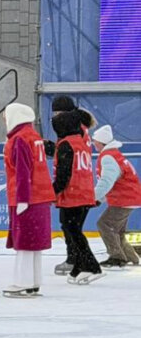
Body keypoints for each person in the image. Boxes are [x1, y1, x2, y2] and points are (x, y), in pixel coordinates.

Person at [2, 103, 54, 298]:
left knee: (24, 242)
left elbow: (23, 171)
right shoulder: (34, 136)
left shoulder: (19, 139)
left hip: (27, 197)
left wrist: (22, 199)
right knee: (34, 243)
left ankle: (23, 282)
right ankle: (33, 281)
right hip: (41, 196)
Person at [51, 109, 103, 285]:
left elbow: (63, 175)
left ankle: (92, 266)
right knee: (74, 231)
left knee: (73, 232)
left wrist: (52, 192)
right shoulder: (81, 142)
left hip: (74, 195)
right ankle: (78, 268)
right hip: (85, 193)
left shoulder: (66, 144)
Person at [92, 125, 141, 269]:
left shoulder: (108, 157)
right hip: (129, 197)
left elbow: (106, 181)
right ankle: (131, 257)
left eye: (95, 141)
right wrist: (100, 199)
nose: (93, 143)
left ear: (101, 142)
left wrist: (94, 197)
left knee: (104, 224)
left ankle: (117, 257)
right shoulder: (114, 154)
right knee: (117, 230)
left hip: (124, 199)